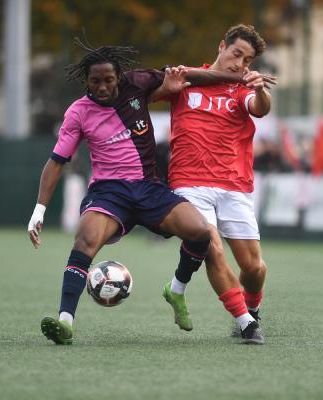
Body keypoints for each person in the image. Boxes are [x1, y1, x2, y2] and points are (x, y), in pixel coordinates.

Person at [27, 41, 247, 345]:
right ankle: (65, 322)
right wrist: (39, 211)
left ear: (119, 77)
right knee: (85, 239)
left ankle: (177, 289)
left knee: (200, 232)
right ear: (86, 81)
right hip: (108, 193)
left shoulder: (139, 83)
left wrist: (239, 79)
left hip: (148, 188)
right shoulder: (78, 112)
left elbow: (189, 76)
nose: (102, 87)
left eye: (108, 80)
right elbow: (56, 162)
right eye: (95, 81)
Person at [156, 25, 272, 344]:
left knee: (255, 268)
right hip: (189, 182)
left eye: (247, 60)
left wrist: (261, 89)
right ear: (222, 46)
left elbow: (259, 109)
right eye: (236, 54)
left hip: (234, 184)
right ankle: (247, 323)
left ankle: (252, 308)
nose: (240, 64)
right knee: (212, 248)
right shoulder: (187, 79)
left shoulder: (242, 88)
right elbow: (154, 87)